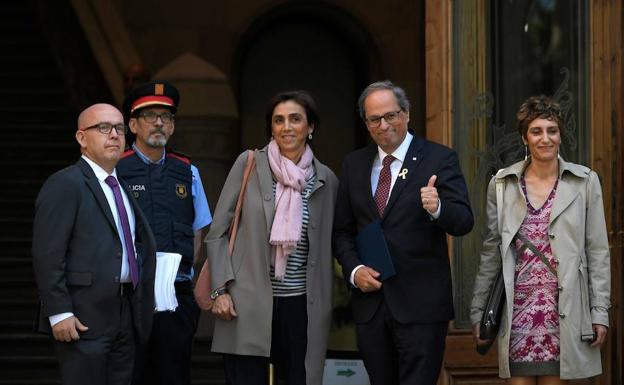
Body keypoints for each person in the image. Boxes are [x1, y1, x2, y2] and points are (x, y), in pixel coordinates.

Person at [333, 80, 473, 385]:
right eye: (375, 119)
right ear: (366, 123)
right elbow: (341, 231)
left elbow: (464, 221)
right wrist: (354, 270)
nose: (384, 125)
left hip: (421, 306)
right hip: (372, 306)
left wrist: (438, 209)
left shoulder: (438, 158)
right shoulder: (354, 164)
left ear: (406, 114)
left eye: (391, 115)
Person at [470, 95, 611, 383]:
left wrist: (599, 313)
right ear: (525, 137)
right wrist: (478, 310)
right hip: (517, 311)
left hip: (564, 312)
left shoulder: (585, 181)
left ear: (560, 135)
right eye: (536, 131)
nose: (545, 138)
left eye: (552, 130)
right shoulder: (502, 183)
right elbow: (491, 252)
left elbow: (597, 252)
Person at [205, 90, 338, 385]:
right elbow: (217, 233)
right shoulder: (249, 163)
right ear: (271, 128)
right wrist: (220, 290)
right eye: (279, 120)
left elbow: (336, 240)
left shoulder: (326, 180)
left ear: (310, 127)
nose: (286, 127)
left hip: (300, 307)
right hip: (245, 303)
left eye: (295, 119)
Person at [32, 103, 157, 385]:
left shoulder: (120, 186)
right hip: (82, 318)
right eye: (103, 128)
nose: (114, 134)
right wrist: (59, 311)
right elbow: (47, 253)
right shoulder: (65, 183)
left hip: (126, 314)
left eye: (119, 128)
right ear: (81, 138)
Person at [117, 81, 213, 385]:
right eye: (150, 116)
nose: (159, 122)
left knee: (174, 375)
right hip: (129, 295)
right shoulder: (116, 170)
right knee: (130, 376)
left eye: (166, 116)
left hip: (176, 294)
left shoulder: (188, 171)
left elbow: (198, 233)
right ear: (132, 124)